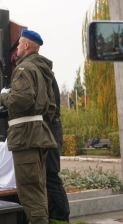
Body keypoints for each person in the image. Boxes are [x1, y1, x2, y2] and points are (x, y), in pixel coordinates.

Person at [0, 29, 58, 224]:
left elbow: (22, 99)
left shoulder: (25, 69)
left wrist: (5, 95)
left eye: (18, 45)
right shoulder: (43, 70)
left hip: (25, 137)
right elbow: (51, 107)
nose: (16, 48)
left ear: (26, 46)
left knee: (30, 195)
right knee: (38, 191)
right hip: (37, 134)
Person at [46, 77, 70, 222]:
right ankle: (56, 215)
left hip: (51, 128)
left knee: (51, 175)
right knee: (49, 176)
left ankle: (61, 216)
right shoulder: (47, 74)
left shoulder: (46, 74)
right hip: (52, 127)